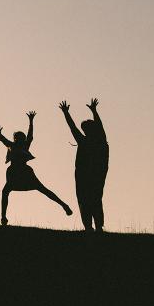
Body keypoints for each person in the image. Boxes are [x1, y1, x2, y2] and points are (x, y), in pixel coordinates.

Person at [0, 112, 72, 226]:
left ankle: (64, 205)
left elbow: (30, 135)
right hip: (14, 172)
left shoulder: (24, 145)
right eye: (18, 138)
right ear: (15, 139)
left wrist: (31, 121)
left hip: (24, 171)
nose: (19, 139)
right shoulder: (11, 145)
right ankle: (3, 217)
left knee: (42, 189)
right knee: (6, 191)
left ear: (22, 139)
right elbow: (1, 138)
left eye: (21, 138)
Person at [59, 98, 109, 232]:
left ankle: (94, 226)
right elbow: (74, 128)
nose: (85, 131)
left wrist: (66, 113)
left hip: (90, 176)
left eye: (86, 129)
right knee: (91, 200)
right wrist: (66, 113)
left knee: (89, 200)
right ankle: (93, 226)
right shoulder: (97, 141)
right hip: (88, 176)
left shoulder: (95, 141)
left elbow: (74, 128)